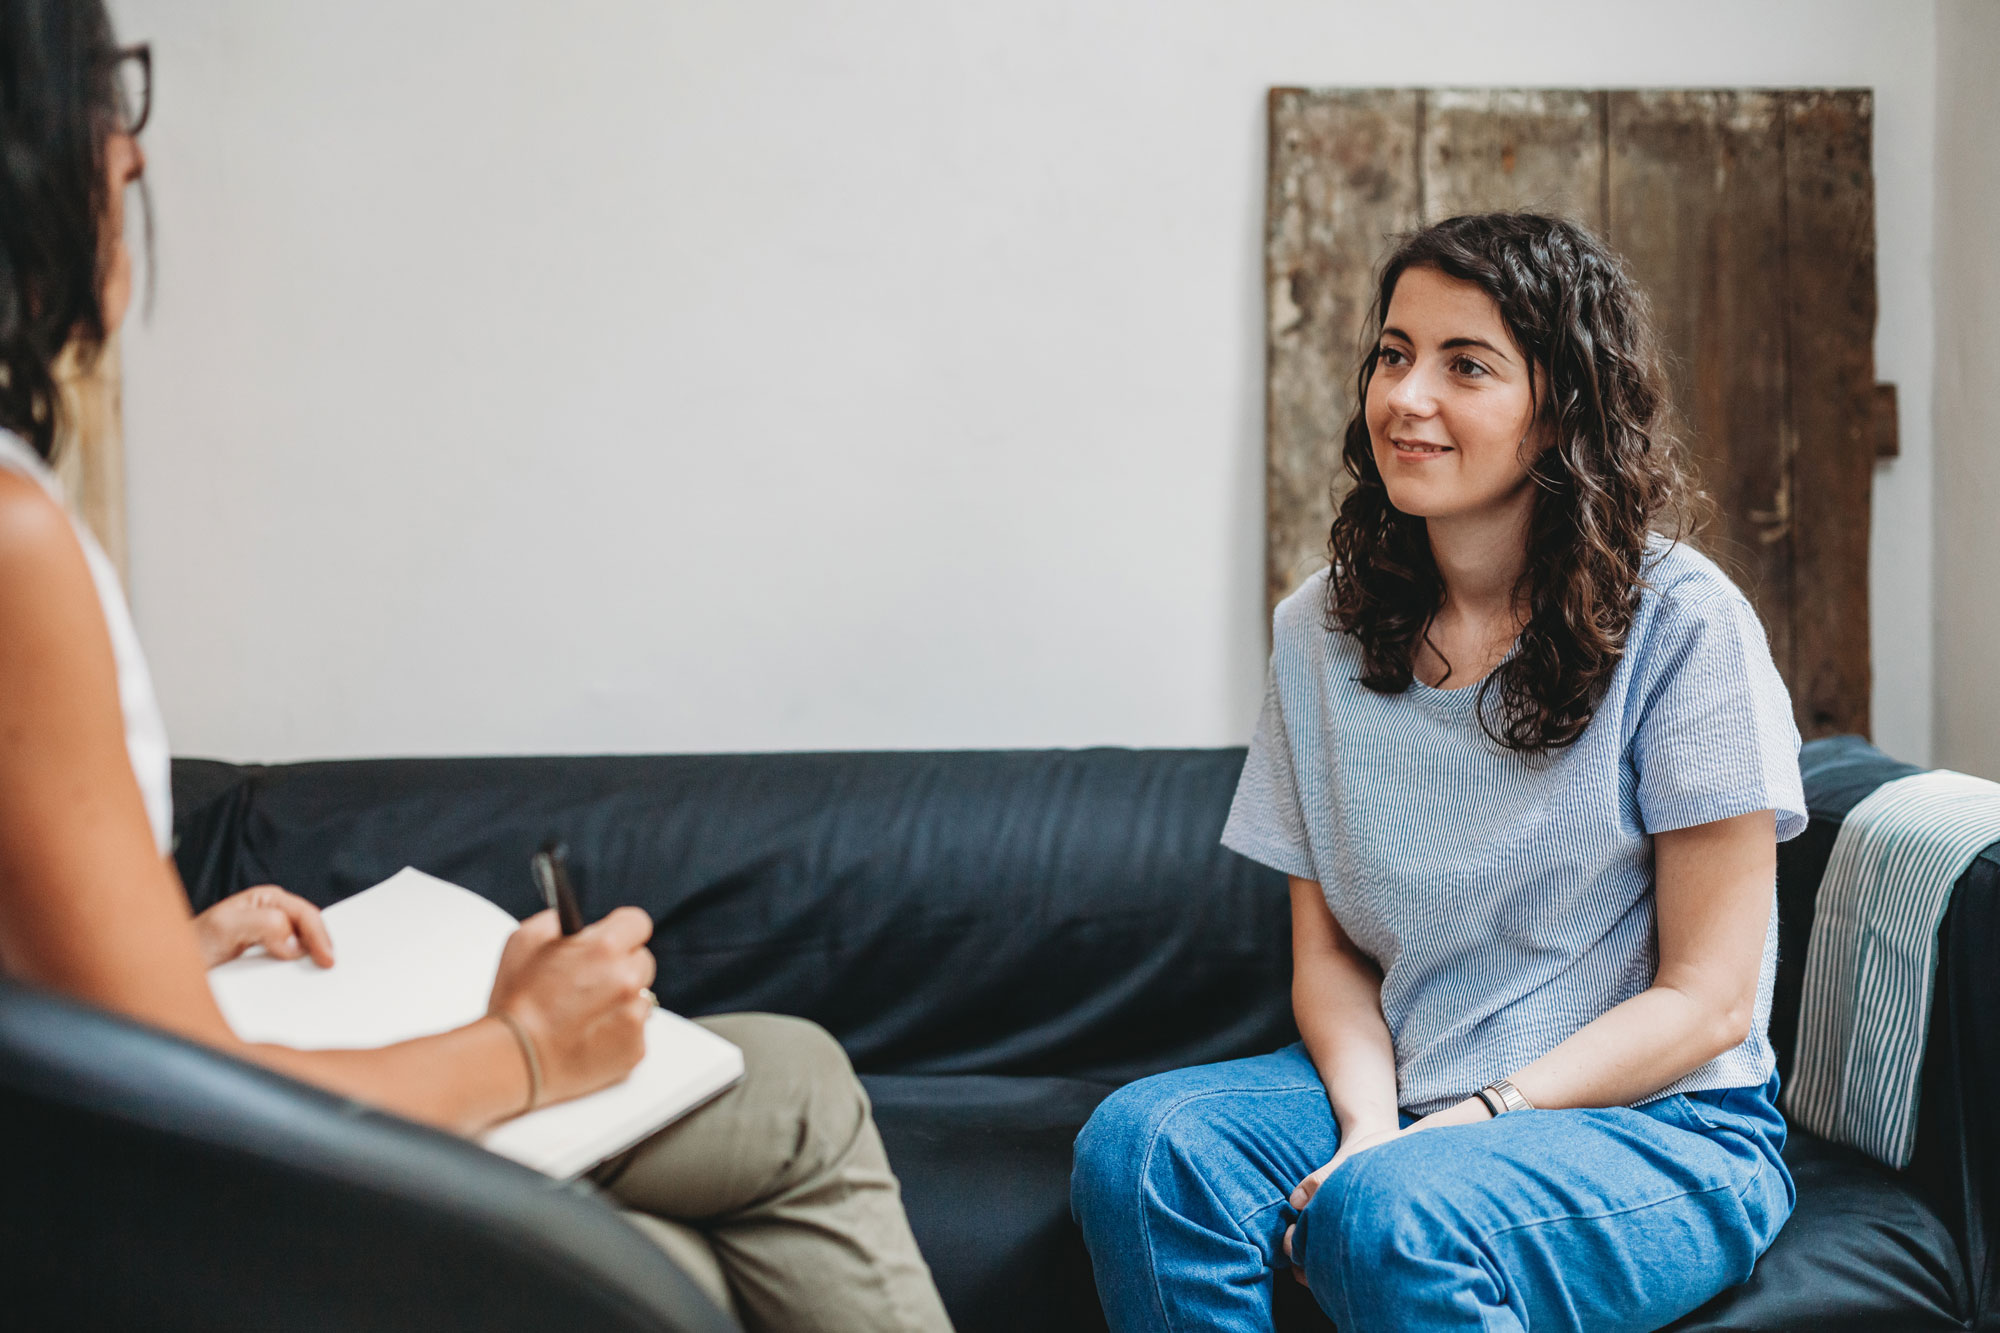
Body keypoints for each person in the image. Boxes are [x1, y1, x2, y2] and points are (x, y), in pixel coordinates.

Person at [0, 5, 952, 1329]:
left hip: (100, 1177)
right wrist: (523, 1047)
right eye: (103, 99)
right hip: (157, 1219)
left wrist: (148, 951)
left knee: (710, 1219)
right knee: (771, 1118)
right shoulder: (12, 537)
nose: (131, 158)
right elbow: (176, 1120)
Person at [1071, 212, 1805, 1332]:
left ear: (1560, 407)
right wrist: (1369, 1127)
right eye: (1393, 353)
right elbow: (1324, 955)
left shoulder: (1683, 623)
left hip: (1658, 1124)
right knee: (1144, 1147)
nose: (1406, 396)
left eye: (1465, 365)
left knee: (1392, 1215)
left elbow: (1704, 1003)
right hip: (1410, 1095)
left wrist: (1475, 1118)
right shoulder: (1314, 631)